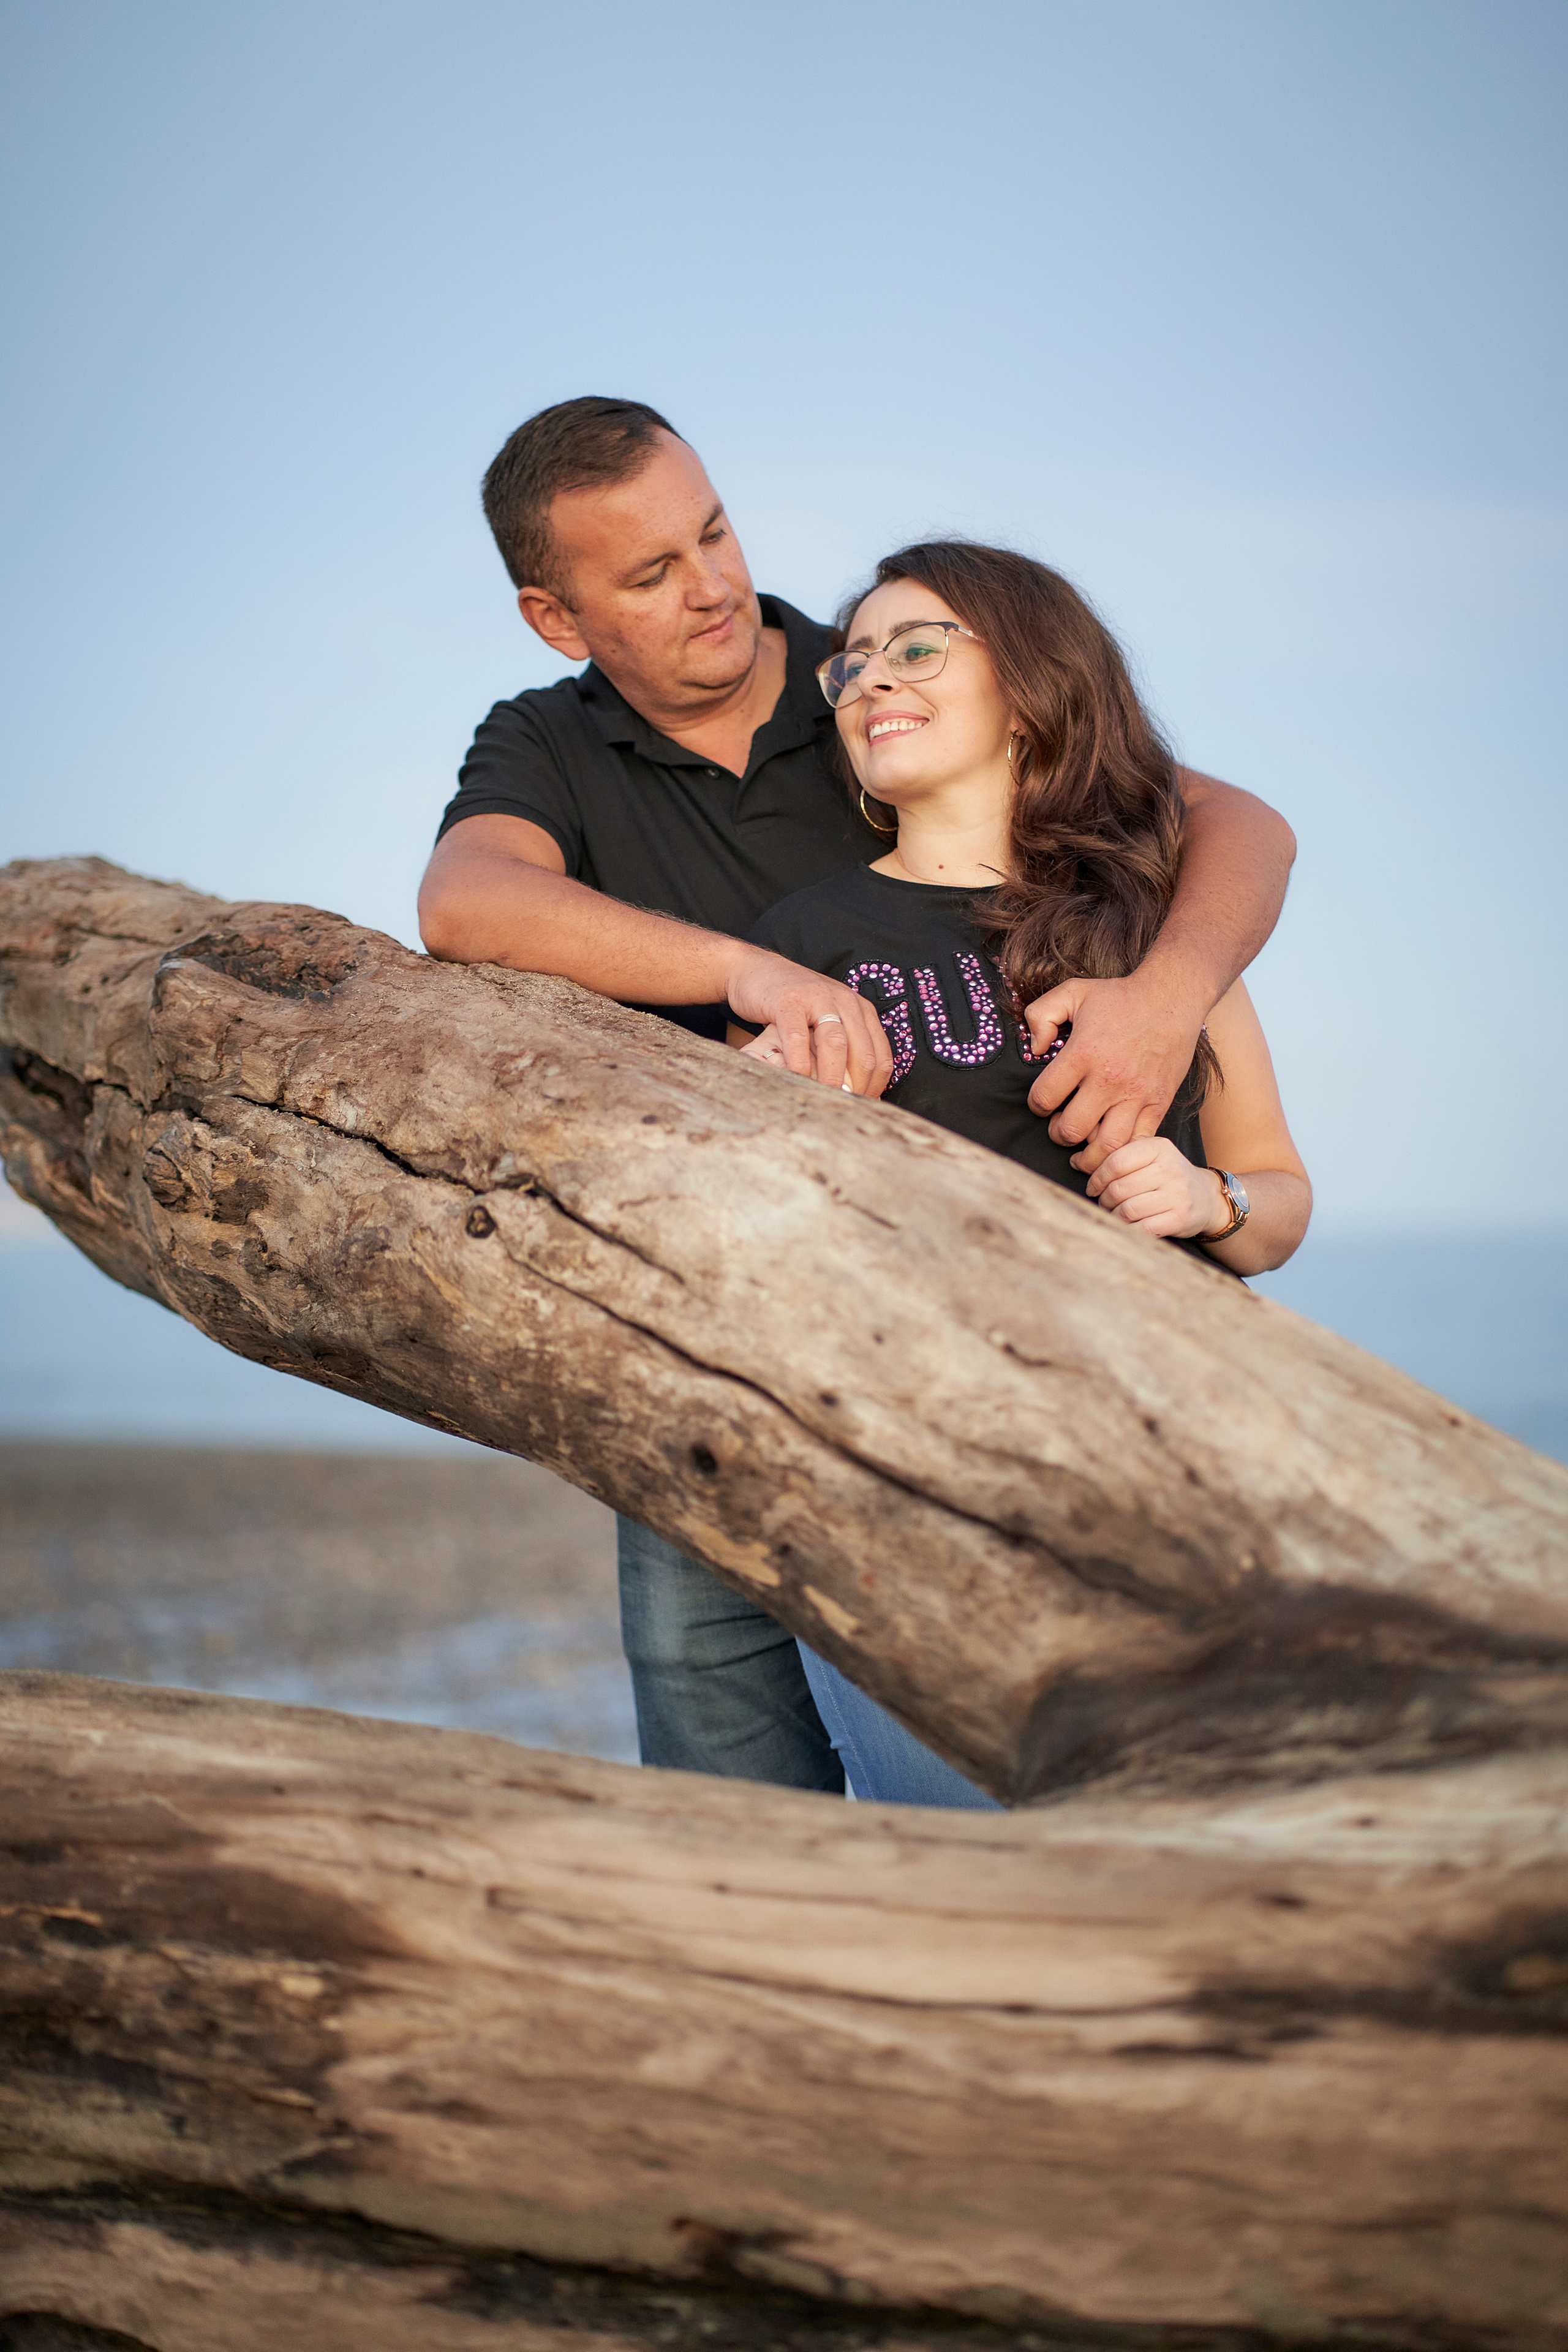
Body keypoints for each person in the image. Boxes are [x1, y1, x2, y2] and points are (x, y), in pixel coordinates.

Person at [418, 395, 1298, 1795]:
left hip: (1039, 1370)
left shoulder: (884, 671)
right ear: (556, 617)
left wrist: (1165, 996)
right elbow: (465, 906)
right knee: (726, 1762)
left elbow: (1231, 820)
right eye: (647, 574)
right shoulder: (548, 745)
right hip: (716, 1342)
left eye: (710, 530)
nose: (709, 583)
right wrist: (747, 976)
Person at [735, 540, 1312, 1806]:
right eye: (851, 664)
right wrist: (765, 1116)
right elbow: (754, 1250)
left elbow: (1277, 1203)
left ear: (1033, 683)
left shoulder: (1164, 933)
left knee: (1176, 1857)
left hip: (1159, 1481)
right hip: (890, 1489)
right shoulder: (799, 945)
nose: (869, 679)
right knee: (961, 1869)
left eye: (918, 645)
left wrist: (1204, 1202)